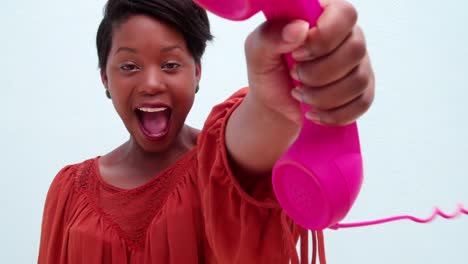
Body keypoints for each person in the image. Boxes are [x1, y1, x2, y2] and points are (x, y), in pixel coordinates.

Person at [38, 0, 374, 263]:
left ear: (196, 73)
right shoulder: (68, 191)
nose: (152, 83)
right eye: (129, 66)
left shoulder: (216, 163)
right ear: (105, 80)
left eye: (171, 65)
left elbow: (249, 141)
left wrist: (278, 104)